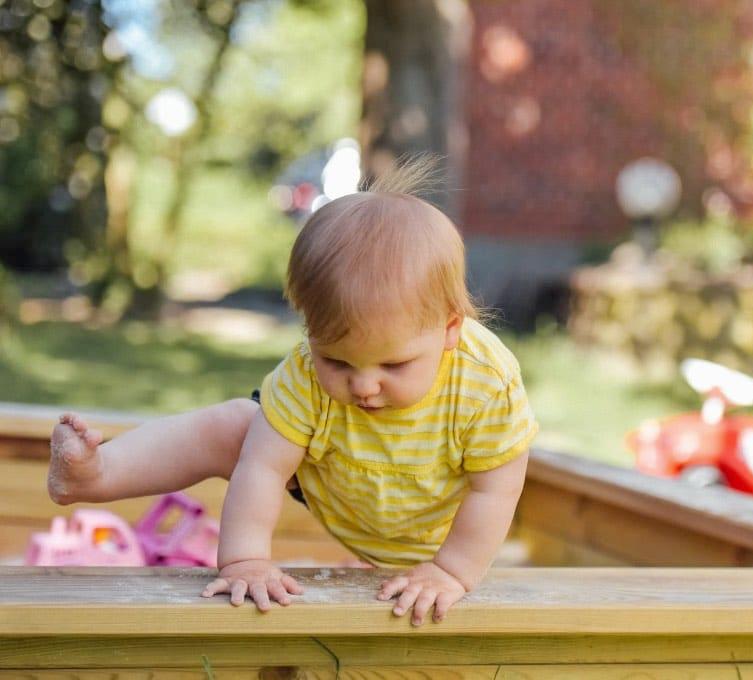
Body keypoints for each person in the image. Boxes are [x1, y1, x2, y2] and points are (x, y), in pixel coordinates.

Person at [48, 158, 538, 626]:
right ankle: (96, 474)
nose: (364, 386)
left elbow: (496, 488)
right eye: (338, 361)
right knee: (236, 427)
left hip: (438, 522)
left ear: (450, 329)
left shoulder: (484, 382)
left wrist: (451, 571)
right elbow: (262, 468)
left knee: (473, 508)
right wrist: (244, 560)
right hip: (338, 478)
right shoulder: (304, 373)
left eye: (394, 364)